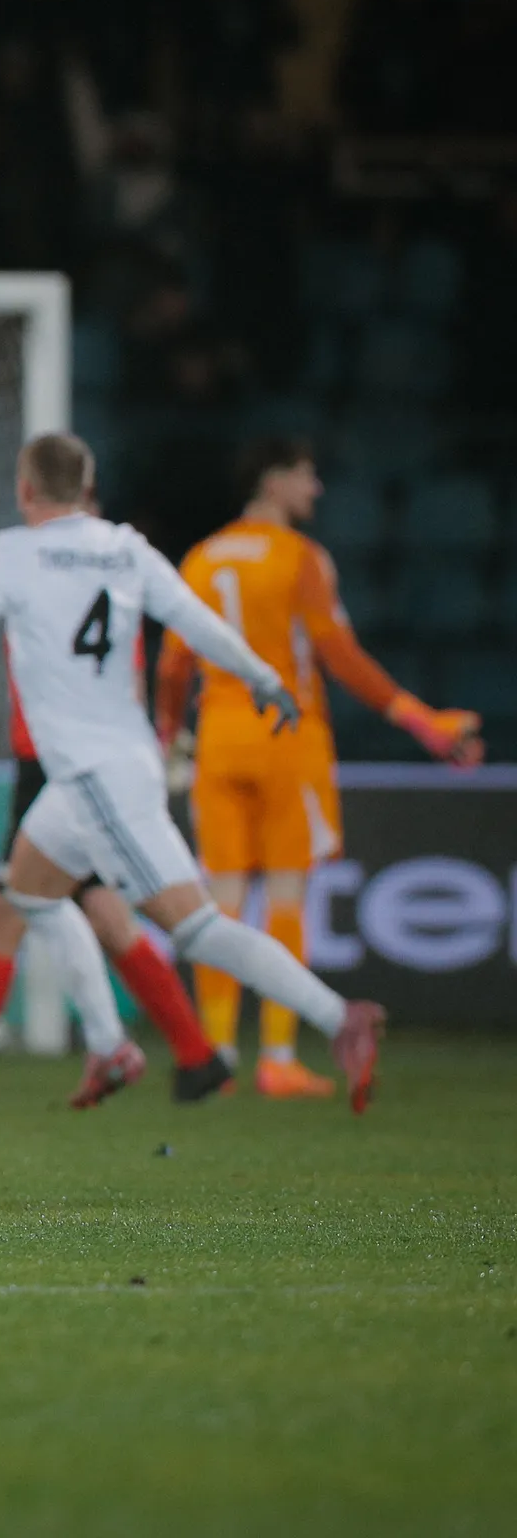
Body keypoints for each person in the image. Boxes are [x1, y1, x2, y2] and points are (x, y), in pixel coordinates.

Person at [0, 431, 385, 1115]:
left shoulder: (15, 553)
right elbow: (198, 623)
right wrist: (265, 680)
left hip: (94, 776)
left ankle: (342, 1019)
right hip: (100, 771)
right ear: (88, 485)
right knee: (29, 894)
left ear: (24, 490)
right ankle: (110, 1044)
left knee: (195, 928)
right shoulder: (125, 547)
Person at [0, 446, 229, 1108]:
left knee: (11, 916)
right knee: (106, 916)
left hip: (59, 768)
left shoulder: (40, 560)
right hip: (88, 766)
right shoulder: (99, 562)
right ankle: (190, 1055)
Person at [155, 437, 481, 1097]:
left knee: (217, 903)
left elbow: (171, 665)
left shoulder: (200, 557)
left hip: (218, 739)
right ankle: (277, 1054)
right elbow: (340, 656)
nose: (316, 490)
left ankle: (216, 1057)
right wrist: (424, 720)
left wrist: (168, 733)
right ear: (273, 481)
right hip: (286, 737)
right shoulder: (301, 558)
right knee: (284, 897)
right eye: (306, 476)